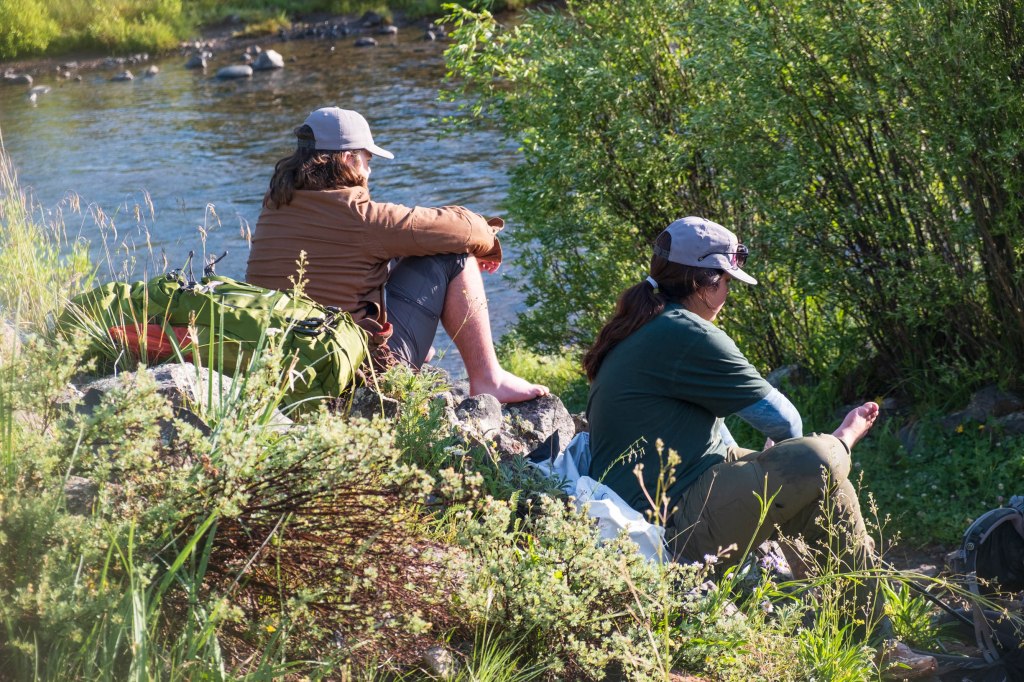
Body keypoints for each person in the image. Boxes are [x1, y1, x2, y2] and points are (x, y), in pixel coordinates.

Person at [583, 216, 937, 679]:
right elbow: (784, 421)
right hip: (668, 524)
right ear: (701, 282)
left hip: (666, 503)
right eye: (727, 281)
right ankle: (872, 637)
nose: (728, 294)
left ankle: (875, 643)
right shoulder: (686, 332)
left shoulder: (646, 323)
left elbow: (713, 433)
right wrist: (836, 442)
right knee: (816, 459)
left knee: (824, 488)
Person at [246, 107, 548, 404]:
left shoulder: (273, 207)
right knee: (453, 257)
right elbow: (463, 230)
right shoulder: (361, 218)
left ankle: (411, 342)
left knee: (393, 253)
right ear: (349, 159)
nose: (369, 171)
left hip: (284, 367)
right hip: (353, 378)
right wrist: (487, 247)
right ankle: (488, 379)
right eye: (367, 159)